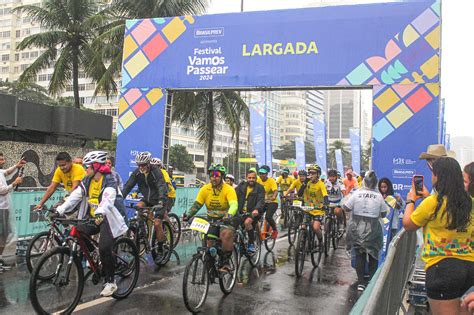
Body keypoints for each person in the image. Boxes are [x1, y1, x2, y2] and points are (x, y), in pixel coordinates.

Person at [403, 157, 473, 314]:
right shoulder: (470, 203)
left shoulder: (433, 203)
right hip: (469, 267)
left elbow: (408, 224)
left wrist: (411, 201)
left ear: (438, 177)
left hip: (442, 268)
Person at [56, 151, 128, 297]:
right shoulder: (87, 180)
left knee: (104, 247)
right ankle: (95, 256)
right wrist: (60, 210)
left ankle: (110, 282)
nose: (85, 169)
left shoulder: (109, 180)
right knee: (78, 232)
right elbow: (75, 196)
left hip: (109, 216)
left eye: (87, 167)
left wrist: (101, 211)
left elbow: (108, 198)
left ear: (96, 167)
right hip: (94, 217)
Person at [183, 164, 238, 271]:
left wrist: (229, 214)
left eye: (217, 175)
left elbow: (234, 205)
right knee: (209, 243)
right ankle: (210, 267)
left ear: (222, 176)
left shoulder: (229, 189)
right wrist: (188, 215)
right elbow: (197, 205)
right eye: (211, 175)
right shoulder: (205, 189)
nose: (214, 177)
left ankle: (225, 262)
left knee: (226, 235)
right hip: (211, 219)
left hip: (226, 219)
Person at [343, 171, 388, 292]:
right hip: (373, 230)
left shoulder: (357, 194)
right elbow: (384, 213)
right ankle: (372, 282)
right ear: (375, 183)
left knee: (359, 255)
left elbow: (346, 207)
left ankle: (361, 282)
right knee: (373, 255)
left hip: (356, 229)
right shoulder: (379, 197)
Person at [122, 152, 168, 261]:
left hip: (160, 199)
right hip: (147, 199)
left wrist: (161, 200)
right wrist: (120, 198)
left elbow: (161, 186)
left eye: (143, 165)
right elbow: (128, 185)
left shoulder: (156, 171)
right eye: (139, 165)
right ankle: (142, 234)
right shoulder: (137, 173)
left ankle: (161, 247)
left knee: (157, 223)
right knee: (138, 209)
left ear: (148, 163)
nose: (141, 167)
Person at [0, 153, 25, 262]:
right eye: (0, 160)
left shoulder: (0, 172)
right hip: (1, 208)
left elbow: (7, 172)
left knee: (4, 234)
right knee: (2, 234)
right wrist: (14, 183)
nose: (3, 161)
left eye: (3, 159)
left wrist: (16, 166)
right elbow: (2, 190)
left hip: (4, 208)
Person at [297, 164, 329, 245]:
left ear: (318, 174)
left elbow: (325, 195)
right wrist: (305, 183)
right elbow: (299, 194)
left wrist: (325, 205)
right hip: (308, 209)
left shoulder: (321, 184)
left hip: (318, 210)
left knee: (315, 227)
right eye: (310, 173)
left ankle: (321, 241)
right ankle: (303, 243)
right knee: (303, 227)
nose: (311, 175)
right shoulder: (307, 183)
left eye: (313, 173)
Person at [236, 168, 265, 253]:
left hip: (253, 212)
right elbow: (233, 196)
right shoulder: (241, 186)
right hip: (240, 212)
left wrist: (256, 209)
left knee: (247, 222)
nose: (251, 179)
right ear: (246, 178)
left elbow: (261, 200)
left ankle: (251, 243)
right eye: (249, 178)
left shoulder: (260, 188)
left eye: (253, 178)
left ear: (256, 178)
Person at [257, 165, 279, 239]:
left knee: (268, 217)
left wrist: (273, 197)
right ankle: (257, 231)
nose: (261, 175)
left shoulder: (271, 181)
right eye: (260, 173)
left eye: (263, 173)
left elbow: (275, 191)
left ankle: (275, 230)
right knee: (256, 215)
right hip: (262, 201)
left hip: (272, 202)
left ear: (267, 174)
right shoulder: (258, 180)